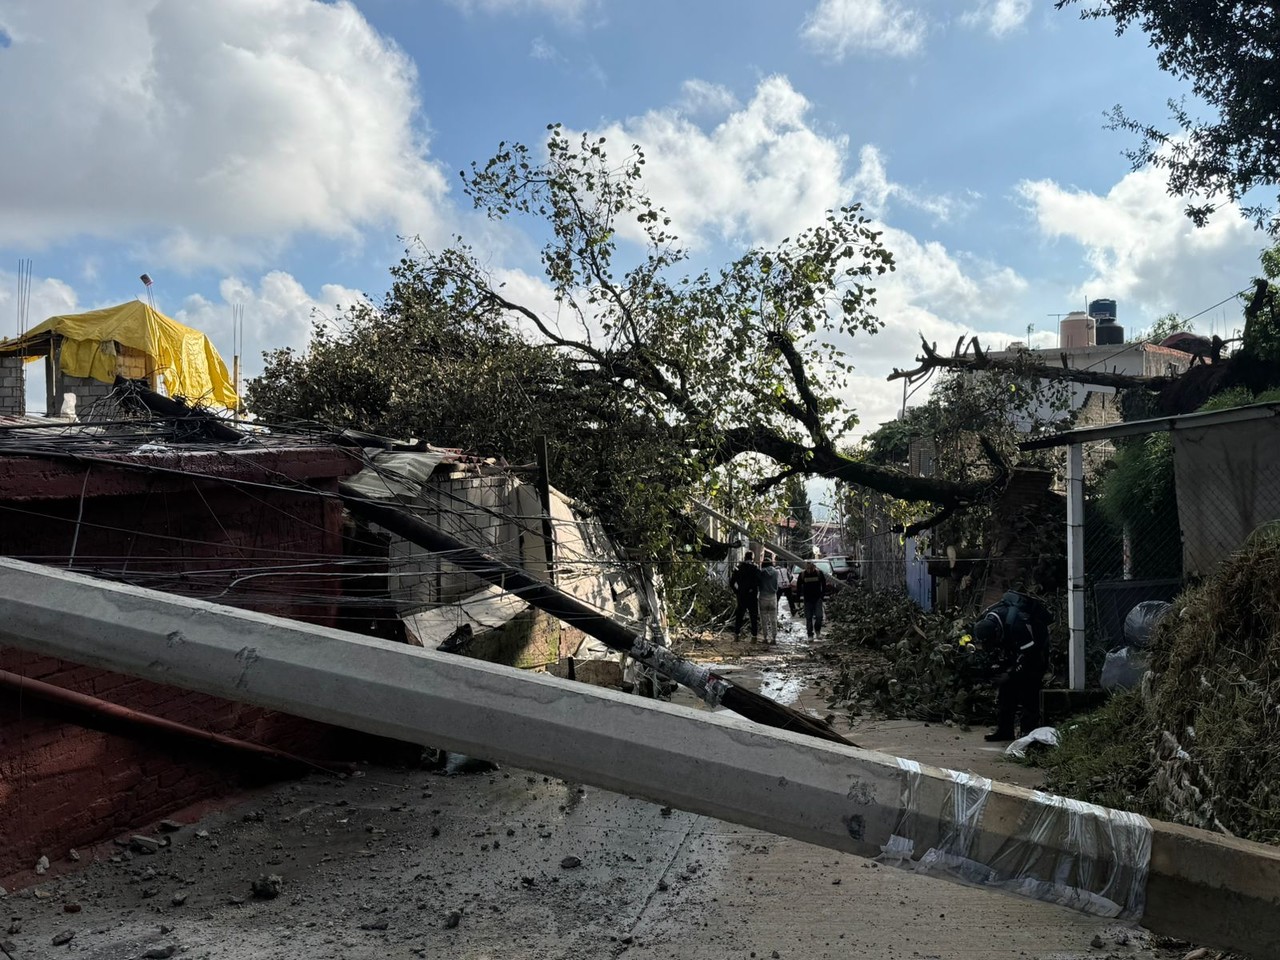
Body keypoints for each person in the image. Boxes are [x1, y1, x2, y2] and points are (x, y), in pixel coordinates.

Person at [970, 591, 1051, 742]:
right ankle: (1005, 731)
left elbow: (1029, 656)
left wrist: (1010, 673)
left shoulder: (1017, 625)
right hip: (1015, 647)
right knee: (1006, 691)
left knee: (1029, 688)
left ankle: (1028, 733)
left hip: (1035, 647)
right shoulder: (984, 620)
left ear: (997, 631)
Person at [728, 551, 760, 641]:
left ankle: (736, 635)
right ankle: (754, 637)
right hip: (752, 596)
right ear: (752, 558)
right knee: (753, 616)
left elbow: (731, 583)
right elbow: (759, 582)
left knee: (739, 616)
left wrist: (737, 591)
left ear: (745, 558)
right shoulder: (755, 568)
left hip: (741, 595)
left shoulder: (738, 568)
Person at [796, 560, 827, 639]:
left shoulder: (819, 574)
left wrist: (822, 596)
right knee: (808, 617)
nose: (809, 567)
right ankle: (810, 634)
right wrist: (798, 599)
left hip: (817, 599)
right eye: (808, 565)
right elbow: (798, 587)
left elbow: (824, 585)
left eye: (811, 565)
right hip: (807, 599)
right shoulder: (802, 575)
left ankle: (817, 631)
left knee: (819, 616)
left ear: (814, 566)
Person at [756, 554, 781, 644]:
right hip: (773, 596)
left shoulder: (761, 572)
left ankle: (765, 638)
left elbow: (758, 582)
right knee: (773, 619)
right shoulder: (776, 572)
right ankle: (774, 638)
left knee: (764, 619)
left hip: (763, 596)